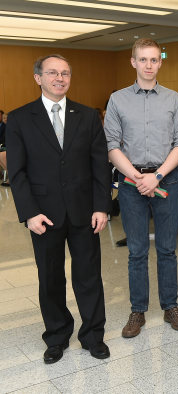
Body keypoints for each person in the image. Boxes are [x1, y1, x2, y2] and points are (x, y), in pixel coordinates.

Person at [7, 54, 111, 363]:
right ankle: (56, 336)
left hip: (84, 211)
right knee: (50, 278)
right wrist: (29, 213)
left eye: (65, 73)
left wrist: (101, 207)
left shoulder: (88, 116)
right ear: (38, 78)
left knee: (89, 276)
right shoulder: (20, 118)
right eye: (52, 72)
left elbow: (99, 166)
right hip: (43, 213)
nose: (60, 78)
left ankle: (93, 336)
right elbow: (17, 171)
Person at [105, 38, 178, 339]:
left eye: (154, 60)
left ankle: (170, 307)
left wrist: (157, 176)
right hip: (131, 184)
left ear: (160, 62)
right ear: (133, 62)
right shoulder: (117, 99)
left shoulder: (173, 99)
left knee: (167, 249)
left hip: (167, 180)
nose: (149, 65)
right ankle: (137, 310)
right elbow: (112, 145)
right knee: (137, 251)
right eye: (143, 59)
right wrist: (138, 178)